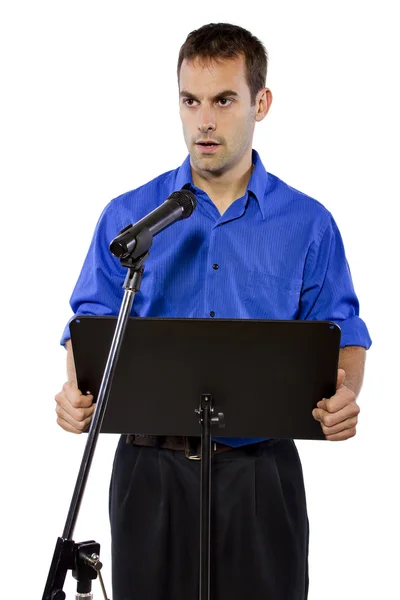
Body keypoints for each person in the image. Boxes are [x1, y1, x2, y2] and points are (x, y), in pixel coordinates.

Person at [55, 22, 372, 600]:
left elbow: (342, 328)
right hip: (148, 473)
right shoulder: (130, 216)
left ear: (261, 102)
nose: (204, 121)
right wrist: (74, 392)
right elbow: (90, 325)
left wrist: (346, 393)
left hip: (260, 473)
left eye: (224, 100)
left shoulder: (309, 223)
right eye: (190, 100)